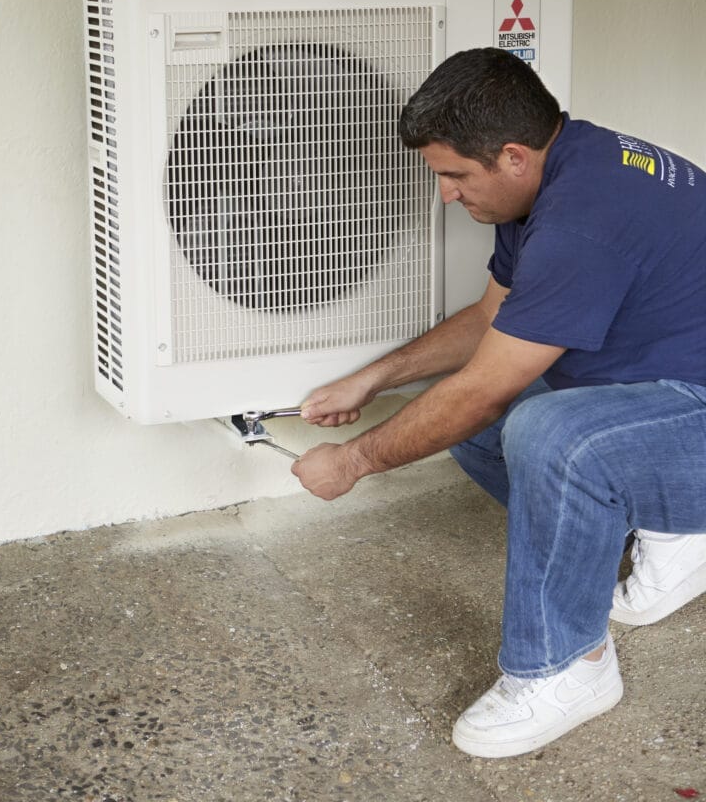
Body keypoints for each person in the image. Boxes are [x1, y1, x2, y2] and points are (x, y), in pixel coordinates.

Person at [290, 47, 706, 759]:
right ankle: (679, 531)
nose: (447, 195)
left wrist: (355, 461)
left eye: (454, 176)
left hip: (690, 406)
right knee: (481, 429)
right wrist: (376, 378)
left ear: (513, 155)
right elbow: (494, 318)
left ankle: (567, 669)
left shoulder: (584, 219)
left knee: (548, 432)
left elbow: (486, 388)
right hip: (668, 390)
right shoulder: (559, 169)